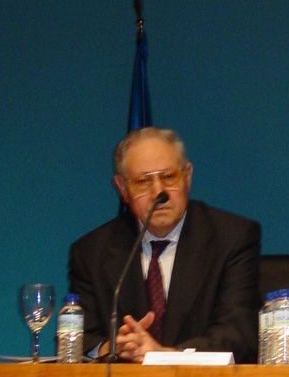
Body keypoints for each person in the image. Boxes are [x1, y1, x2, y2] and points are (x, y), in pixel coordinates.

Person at [69, 127, 261, 363]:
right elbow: (76, 338)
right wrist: (113, 346)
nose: (159, 192)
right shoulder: (91, 252)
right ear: (122, 189)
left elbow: (238, 334)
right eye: (142, 181)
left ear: (187, 177)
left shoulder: (232, 238)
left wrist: (165, 356)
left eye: (169, 177)